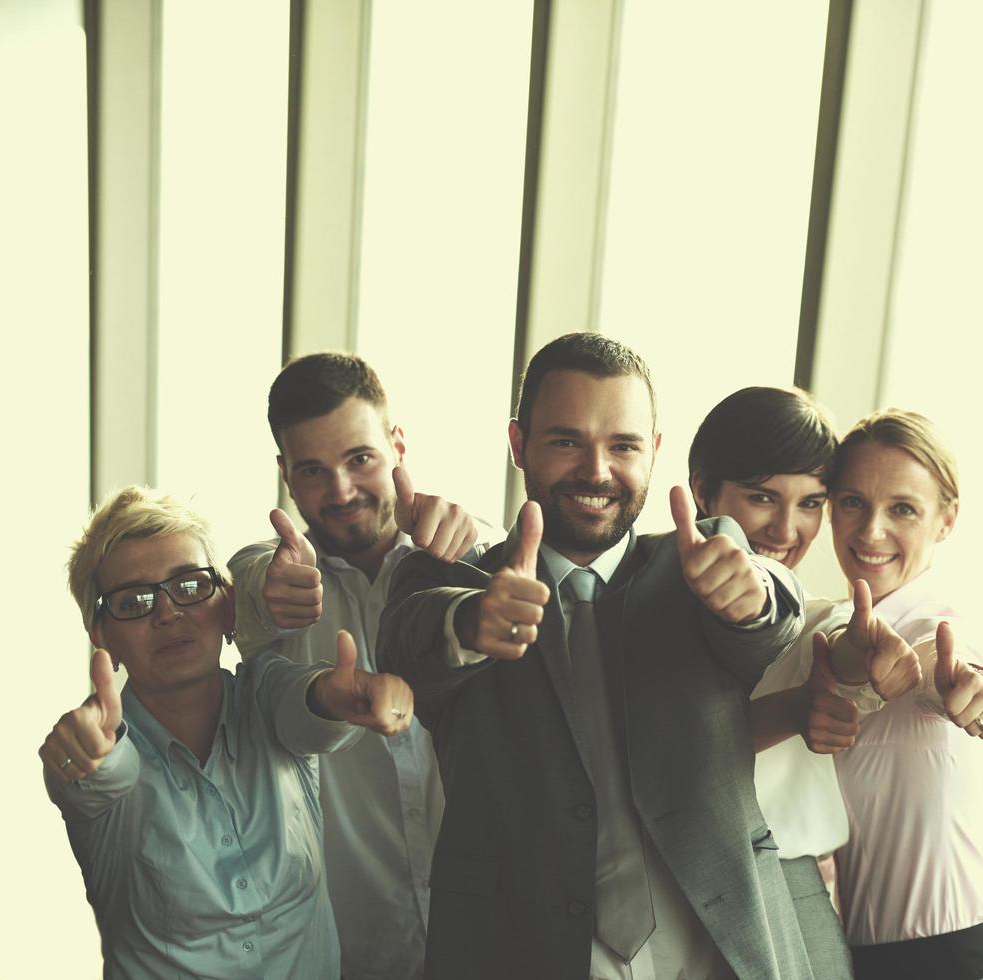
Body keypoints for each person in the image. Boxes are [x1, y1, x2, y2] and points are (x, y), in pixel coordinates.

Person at [377, 333, 822, 980]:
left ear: (655, 453)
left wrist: (752, 596)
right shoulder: (457, 581)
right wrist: (475, 623)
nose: (597, 470)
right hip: (521, 952)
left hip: (717, 950)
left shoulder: (701, 561)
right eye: (566, 441)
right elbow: (410, 637)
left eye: (623, 445)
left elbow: (773, 603)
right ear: (518, 443)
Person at [41, 486, 415, 980]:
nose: (168, 612)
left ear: (228, 603)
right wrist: (83, 754)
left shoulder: (265, 694)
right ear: (101, 634)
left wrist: (346, 695)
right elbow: (101, 776)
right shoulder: (106, 748)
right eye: (135, 601)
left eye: (190, 585)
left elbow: (308, 705)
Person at [229, 351, 498, 980]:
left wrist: (480, 553)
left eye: (360, 459)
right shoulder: (272, 579)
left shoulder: (475, 551)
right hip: (353, 952)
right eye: (314, 471)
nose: (342, 491)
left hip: (492, 939)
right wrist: (266, 588)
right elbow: (241, 589)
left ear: (397, 444)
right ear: (285, 476)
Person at [819, 409, 983, 979]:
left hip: (952, 963)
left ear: (946, 520)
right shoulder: (834, 626)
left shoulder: (937, 622)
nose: (870, 531)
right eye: (853, 501)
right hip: (871, 960)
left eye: (902, 508)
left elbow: (941, 661)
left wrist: (972, 687)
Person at [686, 385, 855, 979]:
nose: (788, 528)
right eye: (763, 497)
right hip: (663, 888)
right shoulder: (638, 611)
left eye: (812, 503)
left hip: (791, 882)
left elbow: (852, 646)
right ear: (703, 489)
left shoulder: (817, 620)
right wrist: (791, 712)